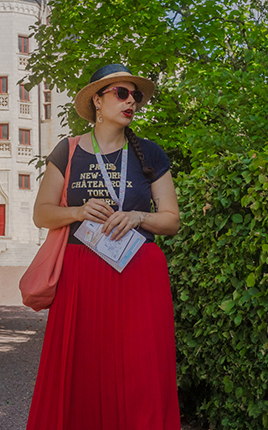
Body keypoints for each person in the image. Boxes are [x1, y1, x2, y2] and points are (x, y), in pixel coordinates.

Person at [27, 63, 181, 429]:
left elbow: (172, 220)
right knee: (83, 368)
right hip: (82, 276)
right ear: (97, 100)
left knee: (140, 370)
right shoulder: (67, 151)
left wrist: (139, 217)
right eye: (121, 93)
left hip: (139, 274)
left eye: (136, 96)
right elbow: (41, 214)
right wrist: (77, 210)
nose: (131, 102)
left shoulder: (151, 153)